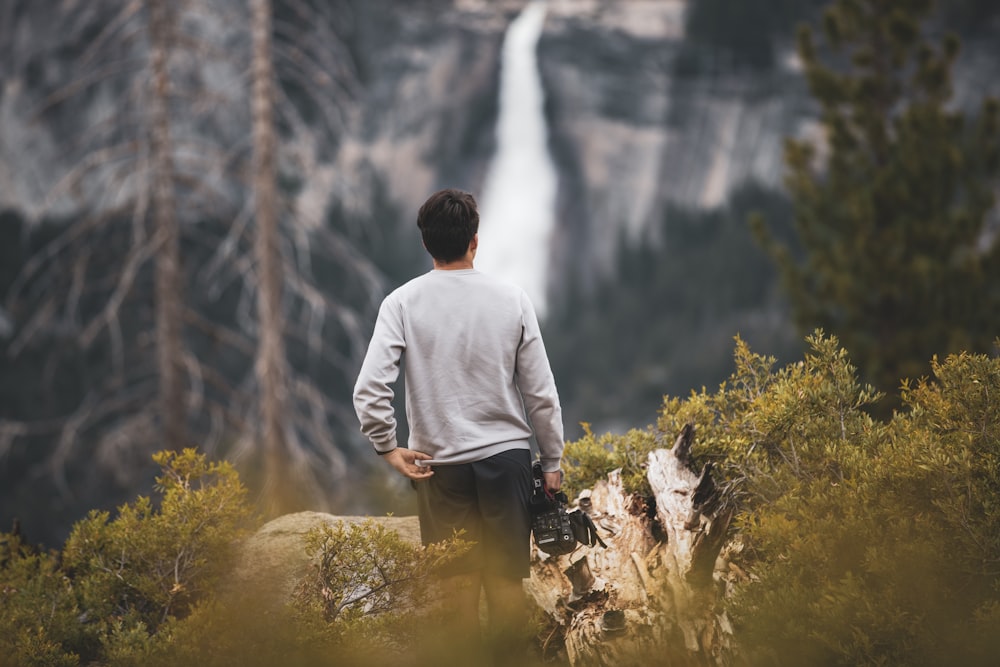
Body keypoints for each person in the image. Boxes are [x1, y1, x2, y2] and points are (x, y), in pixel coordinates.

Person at [353, 188, 564, 662]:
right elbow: (540, 394)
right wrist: (551, 461)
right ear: (475, 240)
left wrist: (388, 447)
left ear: (426, 244)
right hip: (507, 460)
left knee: (456, 588)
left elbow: (369, 390)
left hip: (439, 465)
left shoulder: (401, 303)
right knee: (508, 582)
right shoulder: (512, 299)